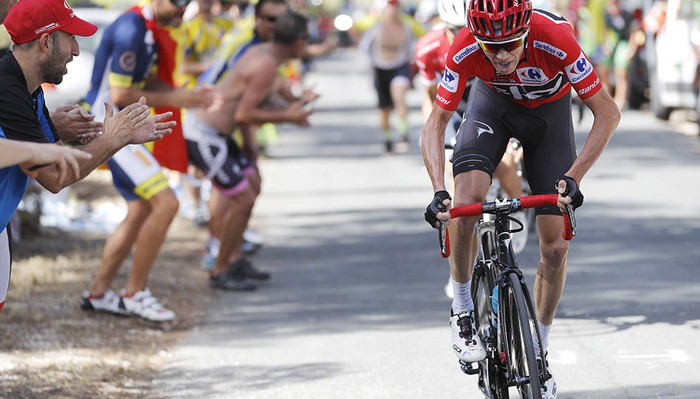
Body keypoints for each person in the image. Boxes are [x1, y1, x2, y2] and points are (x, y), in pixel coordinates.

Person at [421, 1, 620, 397]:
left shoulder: (556, 38)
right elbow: (437, 121)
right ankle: (462, 308)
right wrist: (437, 191)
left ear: (526, 29)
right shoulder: (463, 46)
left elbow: (608, 113)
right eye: (490, 47)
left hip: (549, 119)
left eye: (511, 43)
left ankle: (539, 350)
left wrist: (573, 177)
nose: (502, 54)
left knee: (556, 246)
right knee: (465, 202)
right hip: (491, 110)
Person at [0, 0, 175, 313]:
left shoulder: (29, 88)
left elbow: (50, 158)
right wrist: (113, 139)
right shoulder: (7, 88)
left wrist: (59, 127)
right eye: (71, 38)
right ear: (44, 42)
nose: (78, 50)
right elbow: (55, 177)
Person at [78, 0, 219, 322]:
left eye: (188, 4)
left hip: (120, 125)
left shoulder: (151, 28)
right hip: (110, 125)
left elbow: (146, 81)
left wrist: (183, 93)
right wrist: (175, 98)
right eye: (177, 3)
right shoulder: (132, 29)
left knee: (140, 209)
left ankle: (98, 292)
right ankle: (134, 293)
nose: (182, 10)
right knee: (166, 203)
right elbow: (120, 94)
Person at [183, 10, 315, 290]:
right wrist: (288, 117)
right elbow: (245, 113)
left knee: (252, 185)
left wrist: (255, 142)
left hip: (219, 133)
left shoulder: (266, 54)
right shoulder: (266, 63)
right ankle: (220, 270)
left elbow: (251, 103)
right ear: (298, 42)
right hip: (203, 134)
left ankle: (234, 258)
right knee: (241, 198)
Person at [194, 0, 291, 277]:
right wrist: (251, 139)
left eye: (282, 21)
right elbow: (241, 102)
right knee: (228, 192)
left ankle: (232, 253)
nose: (277, 27)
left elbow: (267, 90)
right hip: (210, 121)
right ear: (259, 21)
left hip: (226, 123)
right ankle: (216, 250)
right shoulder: (248, 47)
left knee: (249, 185)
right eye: (272, 20)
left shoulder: (267, 48)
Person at [356, 0, 424, 153]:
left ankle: (403, 134)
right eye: (390, 7)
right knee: (384, 109)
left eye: (396, 7)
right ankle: (387, 139)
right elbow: (357, 31)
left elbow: (423, 36)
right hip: (380, 68)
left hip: (400, 66)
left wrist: (416, 58)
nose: (393, 11)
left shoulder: (408, 25)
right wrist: (365, 63)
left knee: (399, 96)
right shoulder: (375, 24)